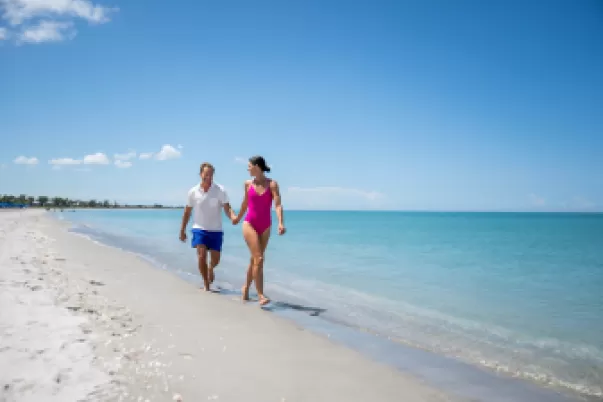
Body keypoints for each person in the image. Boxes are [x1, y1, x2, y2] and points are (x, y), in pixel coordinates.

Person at [233, 155, 286, 305]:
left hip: (265, 226)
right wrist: (237, 218)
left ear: (257, 166)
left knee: (255, 260)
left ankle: (245, 288)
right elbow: (245, 203)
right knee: (259, 259)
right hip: (249, 223)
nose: (248, 169)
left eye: (249, 166)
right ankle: (261, 295)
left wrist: (280, 223)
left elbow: (277, 205)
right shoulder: (247, 184)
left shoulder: (272, 184)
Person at [180, 162, 237, 291]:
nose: (209, 177)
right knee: (201, 255)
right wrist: (182, 230)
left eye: (211, 174)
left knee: (216, 260)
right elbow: (187, 212)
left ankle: (211, 268)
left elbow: (227, 208)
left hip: (216, 230)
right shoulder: (193, 192)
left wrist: (233, 217)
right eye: (206, 174)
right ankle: (206, 283)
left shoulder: (220, 190)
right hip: (199, 228)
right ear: (201, 174)